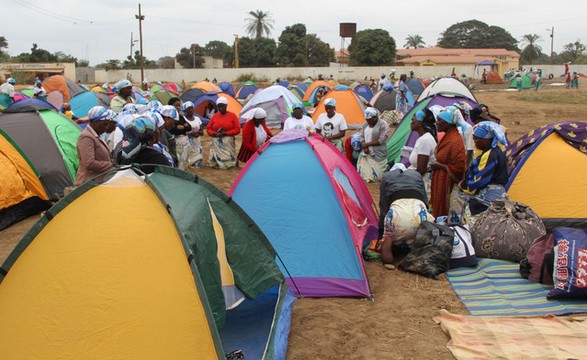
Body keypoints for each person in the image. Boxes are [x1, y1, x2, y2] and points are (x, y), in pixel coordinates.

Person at [377, 164, 430, 268]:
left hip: (397, 216)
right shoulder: (416, 175)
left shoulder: (386, 177)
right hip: (419, 214)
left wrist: (382, 234)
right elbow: (425, 202)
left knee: (386, 256)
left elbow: (384, 208)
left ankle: (389, 255)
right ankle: (418, 250)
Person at [458, 121, 508, 216]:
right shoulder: (497, 152)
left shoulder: (489, 155)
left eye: (477, 139)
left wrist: (464, 185)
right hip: (498, 196)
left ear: (487, 139)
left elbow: (479, 180)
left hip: (486, 201)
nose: (475, 143)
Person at [429, 107, 467, 218]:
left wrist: (441, 166)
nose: (437, 123)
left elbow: (459, 167)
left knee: (445, 211)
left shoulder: (455, 140)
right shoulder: (447, 136)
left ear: (449, 123)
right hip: (441, 179)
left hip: (447, 183)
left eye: (440, 121)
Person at [74, 106, 115, 186]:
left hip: (99, 181)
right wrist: (110, 165)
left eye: (108, 124)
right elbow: (89, 163)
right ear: (95, 122)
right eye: (104, 124)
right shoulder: (86, 137)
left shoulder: (97, 134)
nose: (106, 127)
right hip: (89, 183)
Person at [409, 109, 437, 198]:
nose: (411, 122)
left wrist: (407, 180)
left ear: (420, 122)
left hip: (423, 182)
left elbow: (421, 169)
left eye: (413, 120)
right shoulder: (423, 138)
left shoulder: (425, 140)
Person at [356, 107, 390, 182]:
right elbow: (361, 136)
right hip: (366, 152)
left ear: (375, 117)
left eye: (369, 120)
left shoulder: (383, 125)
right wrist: (364, 147)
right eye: (367, 120)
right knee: (364, 173)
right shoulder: (365, 125)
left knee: (378, 175)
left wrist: (366, 144)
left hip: (378, 152)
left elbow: (381, 140)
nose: (368, 121)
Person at [206, 96, 240, 169]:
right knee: (214, 161)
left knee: (228, 162)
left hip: (228, 140)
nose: (221, 108)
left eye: (222, 106)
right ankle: (216, 162)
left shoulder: (232, 116)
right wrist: (213, 133)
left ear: (226, 106)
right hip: (216, 139)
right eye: (219, 107)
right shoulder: (215, 116)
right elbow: (208, 128)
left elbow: (237, 129)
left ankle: (228, 163)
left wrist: (226, 133)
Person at [167, 98, 193, 171]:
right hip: (174, 141)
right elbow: (169, 129)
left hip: (183, 141)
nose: (178, 107)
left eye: (179, 105)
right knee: (176, 158)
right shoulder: (168, 118)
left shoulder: (180, 117)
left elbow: (189, 127)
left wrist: (184, 127)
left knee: (183, 159)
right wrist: (177, 128)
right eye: (176, 106)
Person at [181, 101, 204, 170]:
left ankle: (197, 164)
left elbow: (202, 131)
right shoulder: (183, 120)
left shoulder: (197, 119)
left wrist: (198, 133)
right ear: (185, 110)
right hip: (188, 141)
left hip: (197, 140)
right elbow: (183, 132)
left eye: (192, 108)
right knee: (188, 153)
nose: (191, 110)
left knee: (197, 153)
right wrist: (191, 133)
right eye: (189, 109)